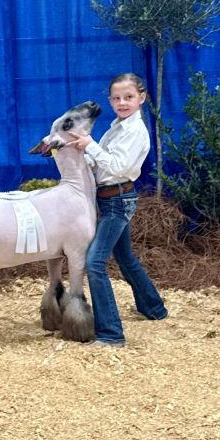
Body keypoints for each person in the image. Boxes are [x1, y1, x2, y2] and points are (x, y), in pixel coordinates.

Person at [68, 73, 167, 346]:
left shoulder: (135, 131)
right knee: (124, 257)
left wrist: (91, 146)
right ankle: (154, 308)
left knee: (94, 263)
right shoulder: (117, 127)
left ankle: (111, 334)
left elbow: (118, 167)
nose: (122, 102)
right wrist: (81, 152)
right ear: (110, 101)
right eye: (116, 98)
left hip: (118, 200)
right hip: (109, 197)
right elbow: (102, 164)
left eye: (128, 97)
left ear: (141, 98)